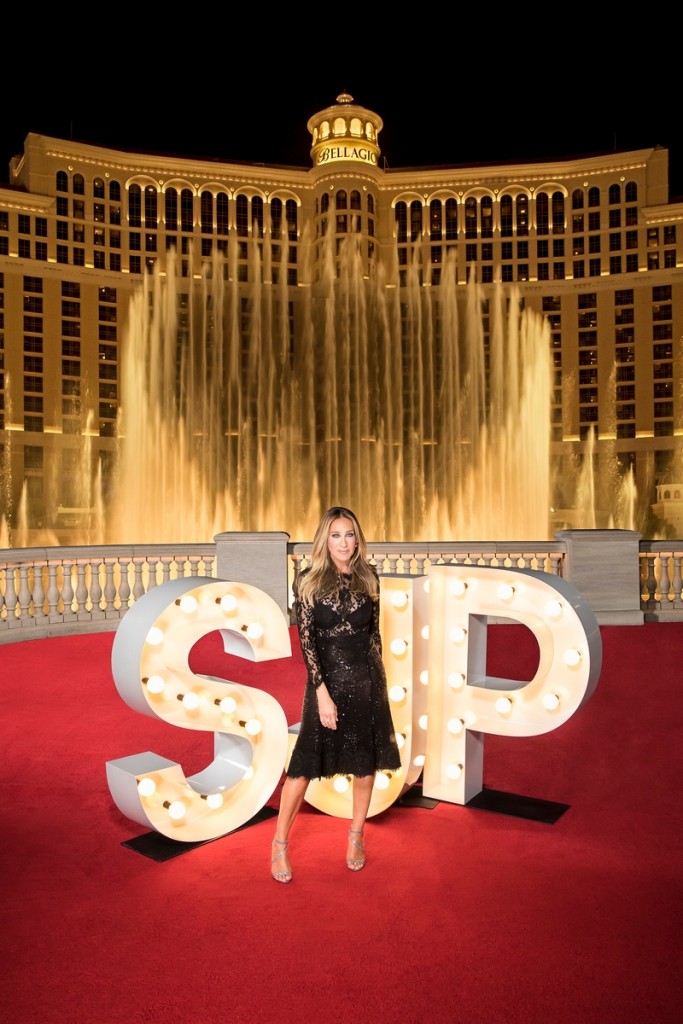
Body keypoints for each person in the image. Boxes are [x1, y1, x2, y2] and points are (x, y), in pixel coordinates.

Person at [271, 506, 401, 883]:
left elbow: (374, 635)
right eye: (336, 535)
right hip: (326, 682)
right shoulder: (308, 580)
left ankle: (356, 835)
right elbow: (307, 643)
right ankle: (279, 843)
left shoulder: (369, 577)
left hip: (367, 680)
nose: (344, 543)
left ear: (357, 538)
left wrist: (380, 685)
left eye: (349, 535)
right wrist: (322, 694)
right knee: (304, 767)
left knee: (365, 764)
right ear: (324, 540)